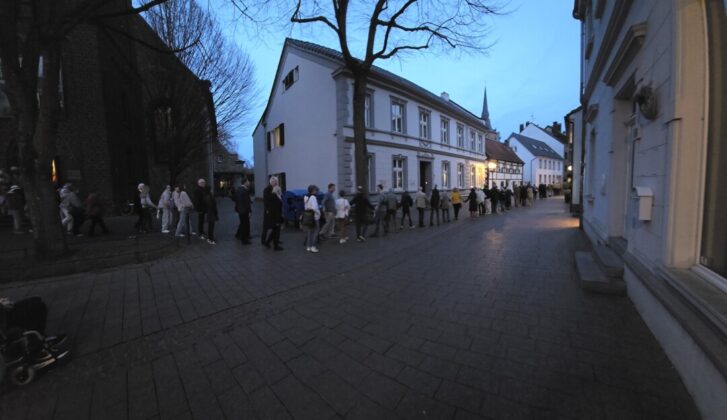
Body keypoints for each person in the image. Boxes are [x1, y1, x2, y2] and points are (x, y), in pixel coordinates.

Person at [263, 185, 284, 250]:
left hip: (273, 216)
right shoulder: (275, 198)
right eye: (280, 190)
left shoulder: (273, 196)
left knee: (274, 231)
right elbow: (276, 210)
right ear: (277, 191)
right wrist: (278, 220)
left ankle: (267, 242)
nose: (281, 191)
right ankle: (276, 246)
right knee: (277, 231)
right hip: (275, 217)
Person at [261, 176, 279, 246]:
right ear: (271, 182)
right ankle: (263, 240)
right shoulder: (267, 189)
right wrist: (267, 209)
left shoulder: (276, 188)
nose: (276, 183)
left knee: (275, 226)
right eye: (275, 181)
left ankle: (275, 239)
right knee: (266, 226)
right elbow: (266, 200)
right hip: (269, 211)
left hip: (275, 210)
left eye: (276, 181)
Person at [303, 185, 321, 253]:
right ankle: (313, 246)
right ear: (313, 190)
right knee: (316, 231)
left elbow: (306, 207)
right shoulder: (313, 197)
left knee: (309, 232)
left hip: (308, 217)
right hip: (314, 217)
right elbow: (314, 208)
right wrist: (319, 213)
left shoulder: (306, 197)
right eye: (316, 190)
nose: (316, 191)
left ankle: (308, 246)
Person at [235, 179, 252, 244]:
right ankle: (244, 239)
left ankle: (238, 235)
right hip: (244, 210)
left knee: (242, 223)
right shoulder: (245, 190)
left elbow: (235, 198)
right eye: (248, 182)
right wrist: (250, 211)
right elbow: (247, 202)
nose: (249, 183)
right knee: (245, 224)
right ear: (245, 183)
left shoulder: (239, 189)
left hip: (240, 209)